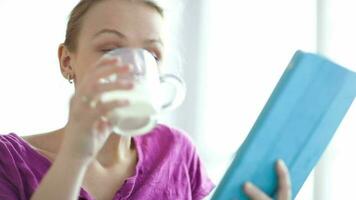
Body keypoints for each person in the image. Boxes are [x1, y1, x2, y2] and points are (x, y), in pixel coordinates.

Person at [0, 0, 292, 199]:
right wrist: (75, 157)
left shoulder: (176, 152)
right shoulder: (9, 159)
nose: (133, 68)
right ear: (67, 61)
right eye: (111, 49)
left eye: (151, 55)